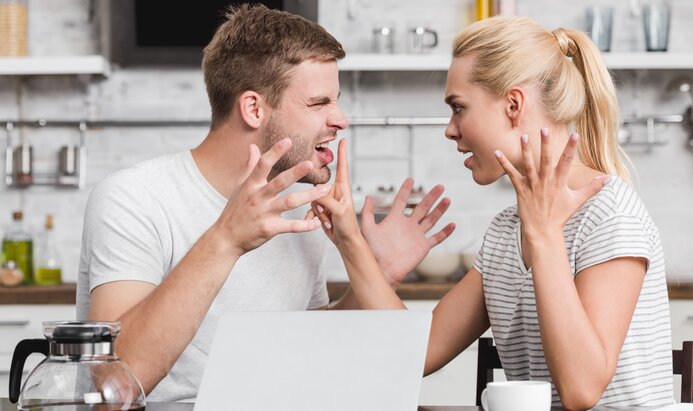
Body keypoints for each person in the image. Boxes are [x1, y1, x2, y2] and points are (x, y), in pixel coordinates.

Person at [75, 4, 454, 403]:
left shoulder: (295, 210)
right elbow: (117, 384)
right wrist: (226, 238)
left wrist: (376, 275)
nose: (341, 120)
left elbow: (301, 342)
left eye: (336, 100)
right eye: (319, 103)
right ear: (253, 109)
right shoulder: (133, 198)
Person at [313, 16, 674, 410]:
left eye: (459, 108)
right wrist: (350, 241)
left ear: (513, 106)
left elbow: (581, 390)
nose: (450, 129)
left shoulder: (608, 214)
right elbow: (420, 351)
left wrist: (544, 236)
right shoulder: (507, 231)